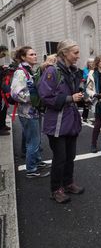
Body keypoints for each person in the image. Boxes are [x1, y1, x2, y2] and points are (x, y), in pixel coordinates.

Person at [38, 39, 85, 203]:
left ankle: (68, 183)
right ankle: (56, 189)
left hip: (71, 120)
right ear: (65, 53)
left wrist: (81, 97)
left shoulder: (72, 71)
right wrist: (70, 98)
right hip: (57, 123)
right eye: (76, 53)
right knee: (60, 158)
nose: (78, 56)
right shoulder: (52, 71)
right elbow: (45, 97)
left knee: (70, 156)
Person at [10, 46, 50, 178]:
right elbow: (16, 93)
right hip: (28, 112)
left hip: (34, 111)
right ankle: (31, 170)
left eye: (35, 54)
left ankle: (37, 162)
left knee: (36, 140)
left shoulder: (29, 70)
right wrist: (35, 97)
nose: (35, 56)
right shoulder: (21, 72)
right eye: (31, 54)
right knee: (33, 141)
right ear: (23, 57)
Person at [85, 55, 101, 153]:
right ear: (97, 63)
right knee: (98, 124)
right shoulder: (92, 74)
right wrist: (95, 95)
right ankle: (93, 144)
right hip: (98, 101)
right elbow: (88, 89)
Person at [81, 58, 94, 122]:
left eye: (92, 62)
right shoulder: (85, 70)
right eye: (90, 62)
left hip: (94, 88)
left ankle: (97, 116)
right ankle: (84, 116)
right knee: (86, 102)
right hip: (87, 88)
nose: (91, 63)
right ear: (88, 63)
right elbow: (83, 79)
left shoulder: (95, 70)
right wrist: (88, 76)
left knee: (95, 102)